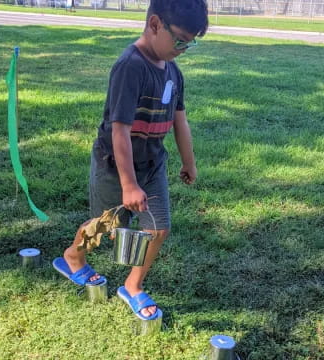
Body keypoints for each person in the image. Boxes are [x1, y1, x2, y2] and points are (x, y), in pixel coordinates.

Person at [53, 0, 209, 321]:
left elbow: (181, 120)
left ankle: (133, 286)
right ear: (154, 25)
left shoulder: (174, 73)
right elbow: (119, 130)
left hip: (152, 165)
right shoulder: (130, 67)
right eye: (180, 40)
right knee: (105, 225)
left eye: (190, 43)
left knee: (159, 229)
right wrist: (128, 184)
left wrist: (189, 162)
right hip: (115, 165)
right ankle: (73, 257)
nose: (184, 48)